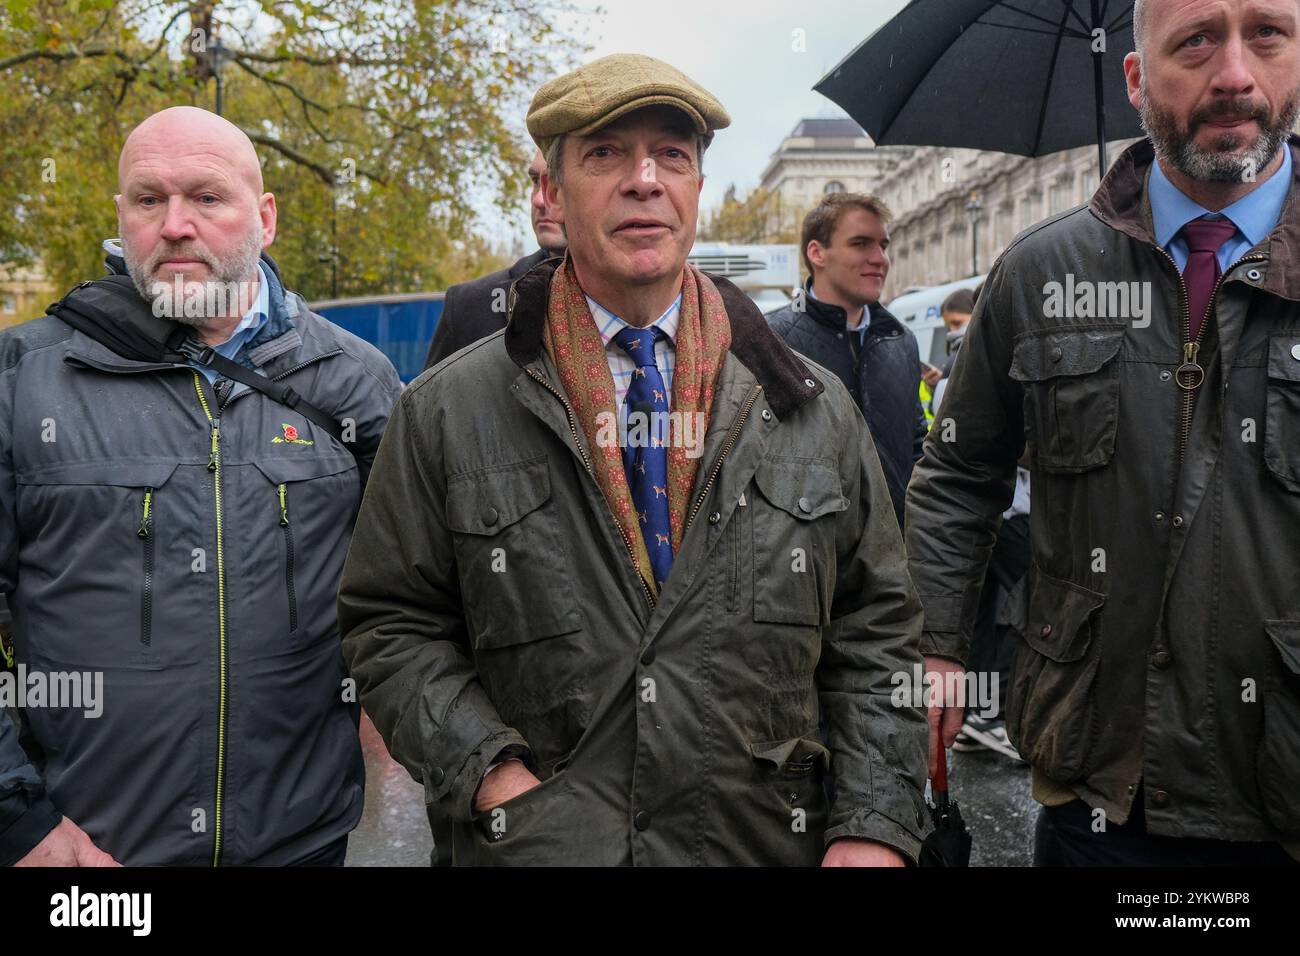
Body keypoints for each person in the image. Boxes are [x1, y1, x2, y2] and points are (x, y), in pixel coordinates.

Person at [338, 53, 932, 866]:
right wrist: (494, 779)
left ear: (697, 190)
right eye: (606, 153)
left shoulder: (811, 405)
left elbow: (877, 629)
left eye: (672, 155)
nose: (644, 179)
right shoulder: (446, 411)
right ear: (552, 191)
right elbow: (391, 623)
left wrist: (873, 831)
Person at [906, 0, 1300, 865]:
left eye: (1266, 34)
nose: (1234, 74)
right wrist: (934, 648)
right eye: (1195, 40)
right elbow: (960, 475)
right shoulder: (1041, 273)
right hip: (1099, 797)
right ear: (1134, 78)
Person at [0, 106, 402, 867]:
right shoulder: (22, 378)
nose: (175, 224)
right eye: (149, 199)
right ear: (122, 216)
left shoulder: (359, 384)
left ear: (266, 216)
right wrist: (18, 824)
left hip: (300, 846)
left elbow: (411, 604)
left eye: (207, 198)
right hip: (86, 857)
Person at [766, 194, 929, 526]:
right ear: (817, 253)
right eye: (860, 244)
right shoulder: (770, 340)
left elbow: (915, 445)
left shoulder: (901, 341)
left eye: (883, 245)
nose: (879, 258)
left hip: (894, 549)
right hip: (807, 557)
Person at [421, 150, 567, 371]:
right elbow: (430, 403)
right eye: (536, 181)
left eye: (556, 182)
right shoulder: (469, 307)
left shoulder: (634, 305)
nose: (539, 199)